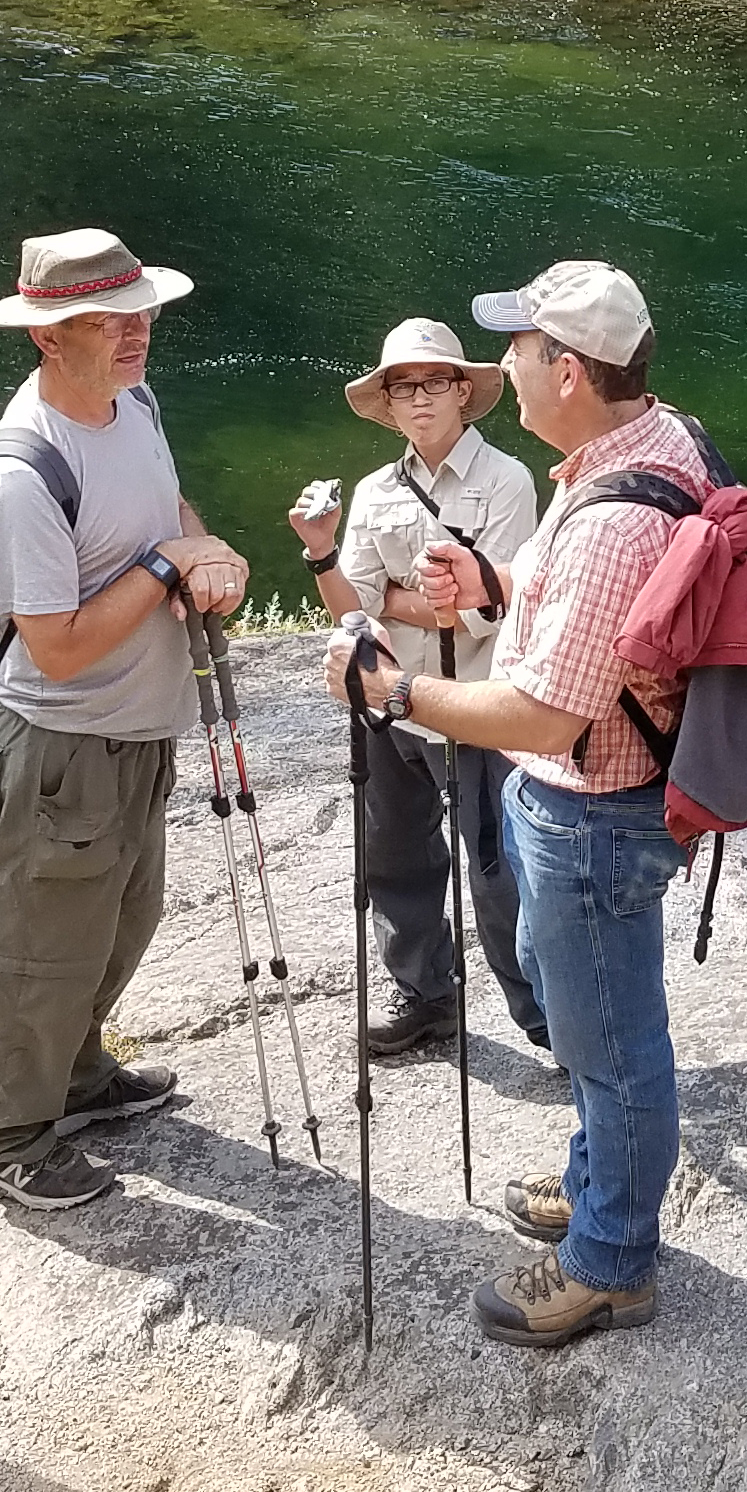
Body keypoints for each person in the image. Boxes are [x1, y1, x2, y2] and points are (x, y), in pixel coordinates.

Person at [326, 258, 705, 1350]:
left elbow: (543, 717)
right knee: (593, 1031)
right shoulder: (644, 441)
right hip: (602, 800)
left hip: (593, 810)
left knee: (615, 1044)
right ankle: (600, 1183)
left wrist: (397, 691)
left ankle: (609, 1264)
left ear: (571, 372)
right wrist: (493, 591)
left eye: (522, 351)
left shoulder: (609, 520)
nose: (505, 368)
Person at [0, 228, 249, 1212]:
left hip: (135, 733)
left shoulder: (133, 402)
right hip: (59, 749)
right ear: (49, 337)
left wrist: (207, 552)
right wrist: (169, 566)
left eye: (144, 313)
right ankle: (6, 1135)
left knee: (124, 918)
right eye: (110, 322)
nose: (139, 334)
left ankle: (74, 1078)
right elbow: (57, 645)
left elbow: (168, 509)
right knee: (47, 949)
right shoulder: (20, 472)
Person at [292, 319, 544, 1057]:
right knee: (395, 858)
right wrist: (321, 551)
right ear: (389, 404)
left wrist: (396, 599)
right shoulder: (374, 491)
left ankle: (547, 1019)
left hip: (478, 707)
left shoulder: (508, 481)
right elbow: (352, 609)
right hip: (390, 710)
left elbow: (485, 612)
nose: (420, 399)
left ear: (464, 392)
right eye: (403, 387)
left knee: (500, 875)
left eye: (435, 382)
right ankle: (426, 996)